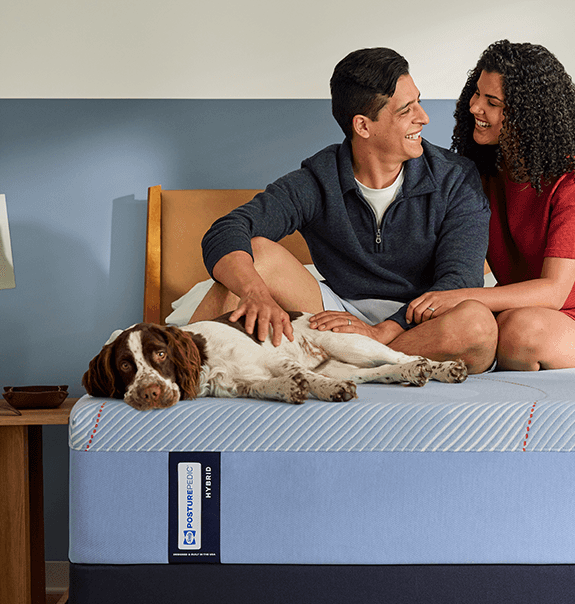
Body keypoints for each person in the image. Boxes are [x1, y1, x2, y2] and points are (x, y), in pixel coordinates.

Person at [192, 47, 498, 373]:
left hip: (422, 321)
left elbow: (459, 281)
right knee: (254, 255)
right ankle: (176, 356)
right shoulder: (319, 180)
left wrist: (383, 331)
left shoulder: (455, 177)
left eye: (418, 102)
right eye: (406, 110)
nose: (423, 117)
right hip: (338, 315)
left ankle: (349, 359)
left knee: (477, 325)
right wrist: (255, 292)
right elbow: (229, 229)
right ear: (363, 126)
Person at [407, 40, 575, 370]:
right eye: (476, 94)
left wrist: (464, 298)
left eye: (492, 102)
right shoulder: (476, 174)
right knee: (488, 326)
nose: (475, 107)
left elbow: (553, 293)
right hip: (508, 314)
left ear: (527, 114)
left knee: (520, 332)